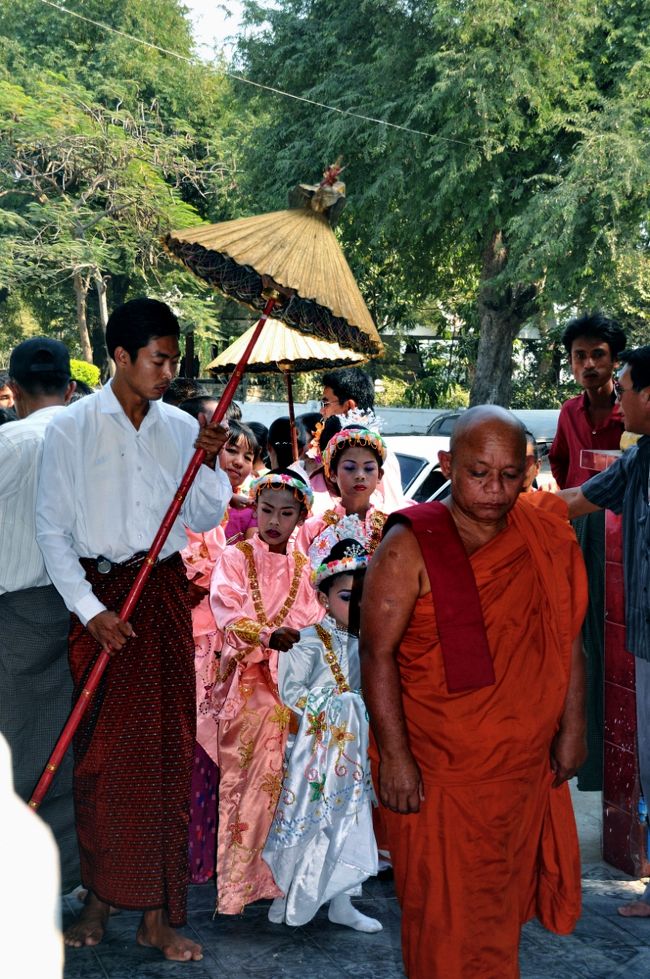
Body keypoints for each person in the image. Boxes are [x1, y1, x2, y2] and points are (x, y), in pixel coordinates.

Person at [360, 406, 588, 979]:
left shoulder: (542, 533)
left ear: (530, 469)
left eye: (510, 475)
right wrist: (396, 758)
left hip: (519, 770)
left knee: (494, 914)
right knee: (442, 917)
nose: (494, 489)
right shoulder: (410, 543)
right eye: (477, 472)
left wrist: (573, 727)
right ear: (447, 465)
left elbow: (566, 634)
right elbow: (376, 653)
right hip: (440, 772)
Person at [35, 298, 231, 962]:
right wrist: (91, 610)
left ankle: (157, 914)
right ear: (120, 356)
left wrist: (209, 459)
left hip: (163, 598)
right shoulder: (73, 428)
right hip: (100, 597)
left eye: (174, 359)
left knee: (167, 756)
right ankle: (99, 900)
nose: (168, 371)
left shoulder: (180, 427)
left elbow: (206, 513)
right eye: (159, 358)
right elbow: (52, 530)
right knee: (100, 759)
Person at [557, 345, 650, 919]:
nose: (618, 397)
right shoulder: (639, 462)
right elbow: (574, 501)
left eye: (626, 387)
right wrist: (497, 503)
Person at [210, 470, 324, 914]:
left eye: (286, 512)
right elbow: (226, 609)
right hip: (247, 676)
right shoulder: (235, 556)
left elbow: (315, 623)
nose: (274, 520)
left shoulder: (303, 566)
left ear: (300, 517)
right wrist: (265, 636)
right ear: (253, 510)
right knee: (258, 755)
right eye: (266, 510)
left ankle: (290, 876)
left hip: (293, 679)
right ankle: (240, 885)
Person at [263, 525, 381, 932]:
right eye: (348, 597)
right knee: (309, 822)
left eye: (366, 597)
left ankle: (342, 901)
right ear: (324, 598)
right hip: (311, 756)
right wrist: (339, 707)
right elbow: (291, 695)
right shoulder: (306, 642)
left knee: (350, 820)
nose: (358, 606)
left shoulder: (373, 645)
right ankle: (293, 892)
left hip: (352, 758)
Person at [0, 338, 79, 891]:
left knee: (21, 745)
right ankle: (56, 874)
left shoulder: (8, 442)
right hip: (86, 607)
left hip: (19, 608)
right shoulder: (89, 443)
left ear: (13, 389)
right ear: (70, 389)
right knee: (65, 746)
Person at [549, 313, 627, 791]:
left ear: (614, 359)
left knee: (621, 641)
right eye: (581, 356)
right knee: (582, 638)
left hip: (630, 537)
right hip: (581, 534)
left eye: (598, 354)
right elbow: (560, 465)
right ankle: (592, 762)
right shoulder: (568, 413)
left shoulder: (636, 411)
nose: (590, 363)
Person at [318, 368, 408, 513]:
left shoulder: (378, 452)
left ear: (349, 406)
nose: (322, 412)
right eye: (349, 467)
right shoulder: (340, 444)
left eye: (326, 403)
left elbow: (392, 508)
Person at [296, 425, 388, 553]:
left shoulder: (390, 528)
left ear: (379, 475)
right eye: (350, 468)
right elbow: (300, 572)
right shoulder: (314, 528)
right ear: (333, 474)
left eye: (368, 469)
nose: (360, 476)